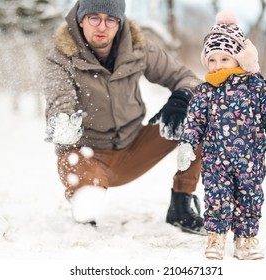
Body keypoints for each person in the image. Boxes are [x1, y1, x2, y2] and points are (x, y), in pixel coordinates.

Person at [43, 0, 205, 235]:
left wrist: (181, 99)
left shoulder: (138, 48)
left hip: (134, 146)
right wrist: (63, 122)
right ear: (80, 20)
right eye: (94, 18)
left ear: (119, 23)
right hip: (89, 154)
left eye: (110, 19)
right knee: (76, 169)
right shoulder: (61, 58)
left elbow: (186, 78)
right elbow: (61, 104)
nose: (102, 27)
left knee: (202, 117)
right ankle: (85, 203)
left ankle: (181, 205)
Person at [177, 10, 266, 259]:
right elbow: (195, 121)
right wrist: (187, 144)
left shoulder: (260, 88)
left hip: (250, 160)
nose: (217, 65)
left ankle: (246, 238)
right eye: (212, 60)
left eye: (224, 59)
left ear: (240, 58)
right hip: (215, 160)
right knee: (216, 197)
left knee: (250, 197)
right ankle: (216, 237)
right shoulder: (206, 91)